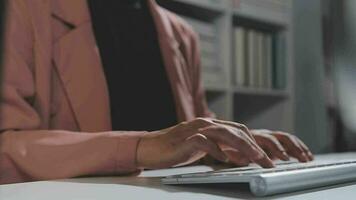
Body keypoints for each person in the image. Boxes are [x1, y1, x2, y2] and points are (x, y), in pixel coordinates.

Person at [0, 0, 313, 184]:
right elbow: (6, 145)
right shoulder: (26, 10)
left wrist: (232, 145)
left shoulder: (181, 34)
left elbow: (191, 133)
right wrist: (142, 146)